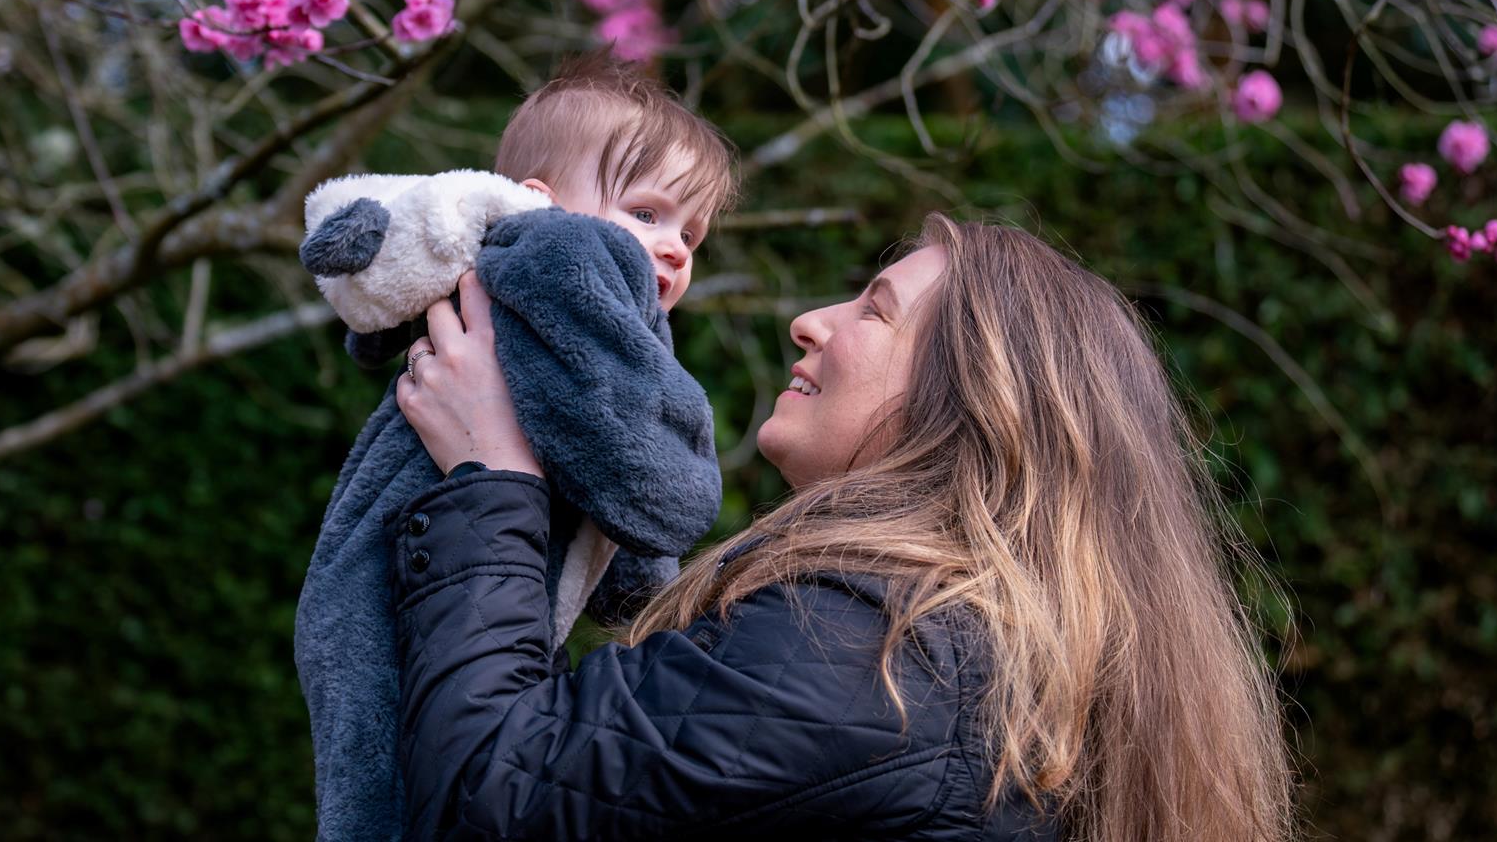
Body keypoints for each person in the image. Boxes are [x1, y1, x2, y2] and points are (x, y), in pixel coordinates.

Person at [392, 213, 1295, 841]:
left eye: (875, 310)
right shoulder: (963, 656)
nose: (811, 320)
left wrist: (493, 477)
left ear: (977, 404)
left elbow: (487, 797)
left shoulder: (869, 652)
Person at [293, 54, 740, 841]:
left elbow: (599, 448)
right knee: (390, 791)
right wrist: (677, 509)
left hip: (439, 577)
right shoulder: (558, 254)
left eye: (690, 231)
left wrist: (643, 588)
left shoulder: (601, 307)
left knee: (396, 777)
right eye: (646, 213)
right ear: (540, 201)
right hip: (400, 575)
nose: (673, 248)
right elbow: (645, 477)